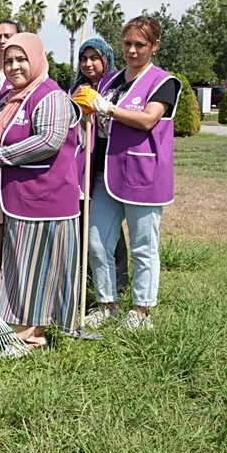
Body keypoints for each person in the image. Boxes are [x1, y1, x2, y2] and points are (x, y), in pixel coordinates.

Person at [73, 16, 180, 330]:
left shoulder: (164, 82)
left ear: (154, 46)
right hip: (106, 174)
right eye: (128, 44)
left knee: (143, 246)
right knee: (95, 241)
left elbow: (148, 119)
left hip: (143, 176)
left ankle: (141, 311)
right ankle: (107, 303)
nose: (132, 50)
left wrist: (105, 108)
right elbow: (97, 122)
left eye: (140, 45)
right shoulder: (112, 80)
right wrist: (85, 110)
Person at [0, 32, 82, 352]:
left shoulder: (49, 95)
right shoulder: (12, 98)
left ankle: (31, 337)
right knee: (21, 268)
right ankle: (20, 330)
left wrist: (0, 156)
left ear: (36, 59)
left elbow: (50, 140)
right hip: (21, 198)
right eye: (8, 60)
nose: (14, 66)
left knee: (38, 270)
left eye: (21, 59)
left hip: (47, 199)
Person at [69, 38, 129, 295]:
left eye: (94, 58)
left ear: (106, 60)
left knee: (108, 228)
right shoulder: (75, 89)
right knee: (85, 225)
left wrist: (99, 107)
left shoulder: (117, 86)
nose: (88, 63)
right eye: (84, 58)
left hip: (108, 163)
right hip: (81, 166)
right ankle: (87, 279)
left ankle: (120, 283)